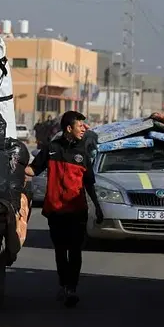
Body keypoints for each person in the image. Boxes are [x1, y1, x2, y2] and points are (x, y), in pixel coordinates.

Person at [24, 111, 103, 308]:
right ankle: (64, 284)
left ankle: (71, 288)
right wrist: (15, 164)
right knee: (60, 250)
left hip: (77, 210)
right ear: (69, 128)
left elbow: (89, 184)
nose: (84, 129)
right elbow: (33, 170)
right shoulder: (51, 149)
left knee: (75, 251)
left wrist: (99, 208)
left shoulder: (83, 153)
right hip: (55, 211)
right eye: (80, 125)